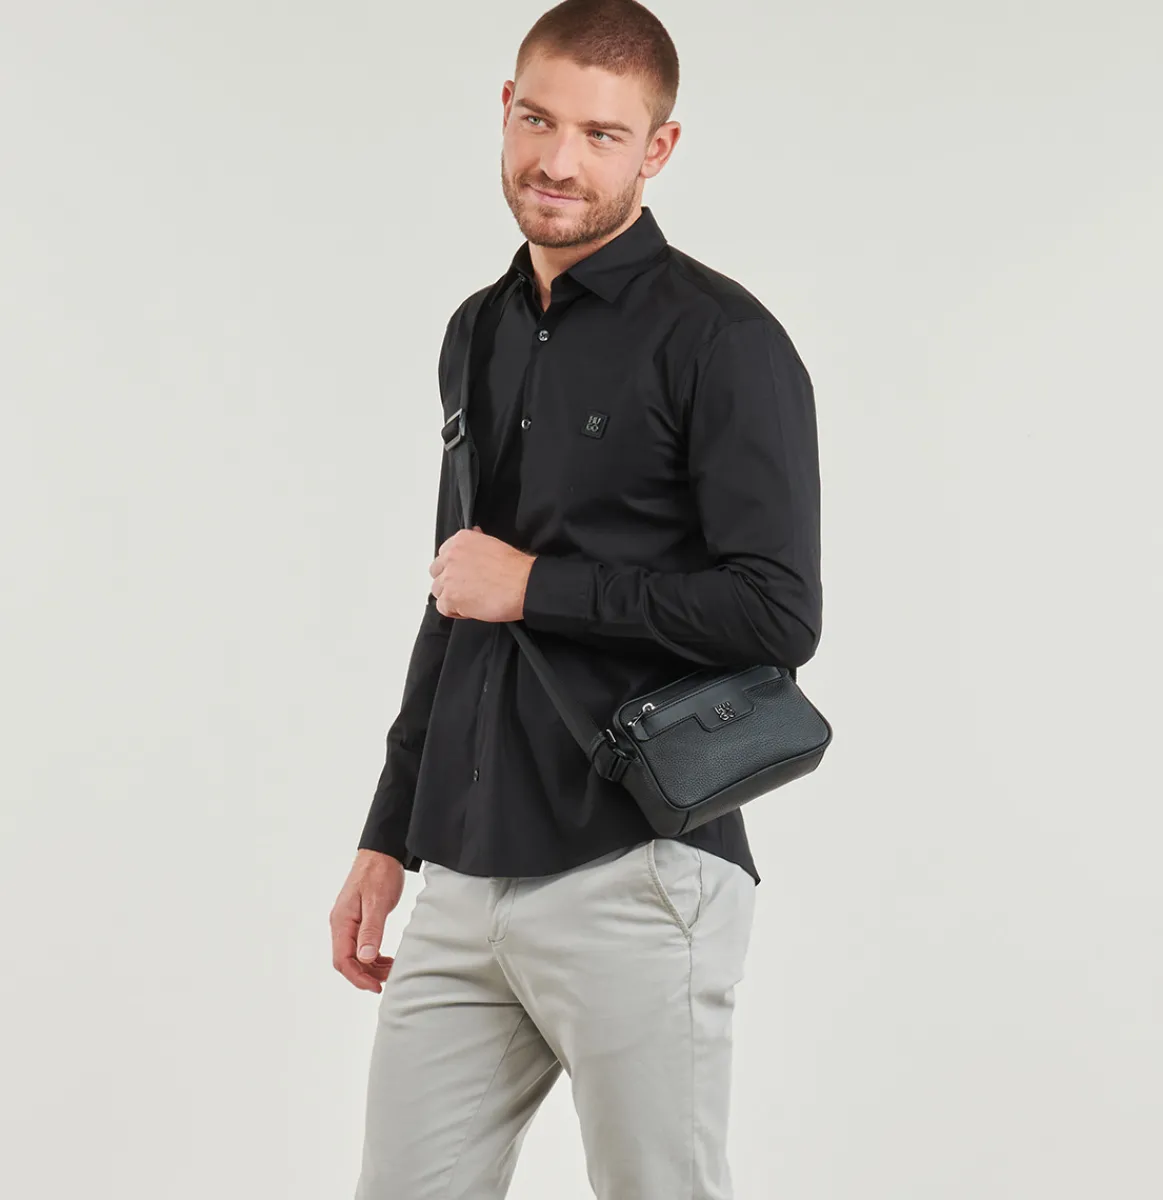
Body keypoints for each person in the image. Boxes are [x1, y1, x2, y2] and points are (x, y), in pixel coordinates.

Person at [329, 1, 822, 1196]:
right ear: (505, 110)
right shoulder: (477, 332)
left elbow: (777, 614)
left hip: (638, 869)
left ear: (659, 148)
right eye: (540, 120)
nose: (559, 160)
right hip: (463, 871)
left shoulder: (723, 340)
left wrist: (538, 587)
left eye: (603, 134)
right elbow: (457, 594)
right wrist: (388, 834)